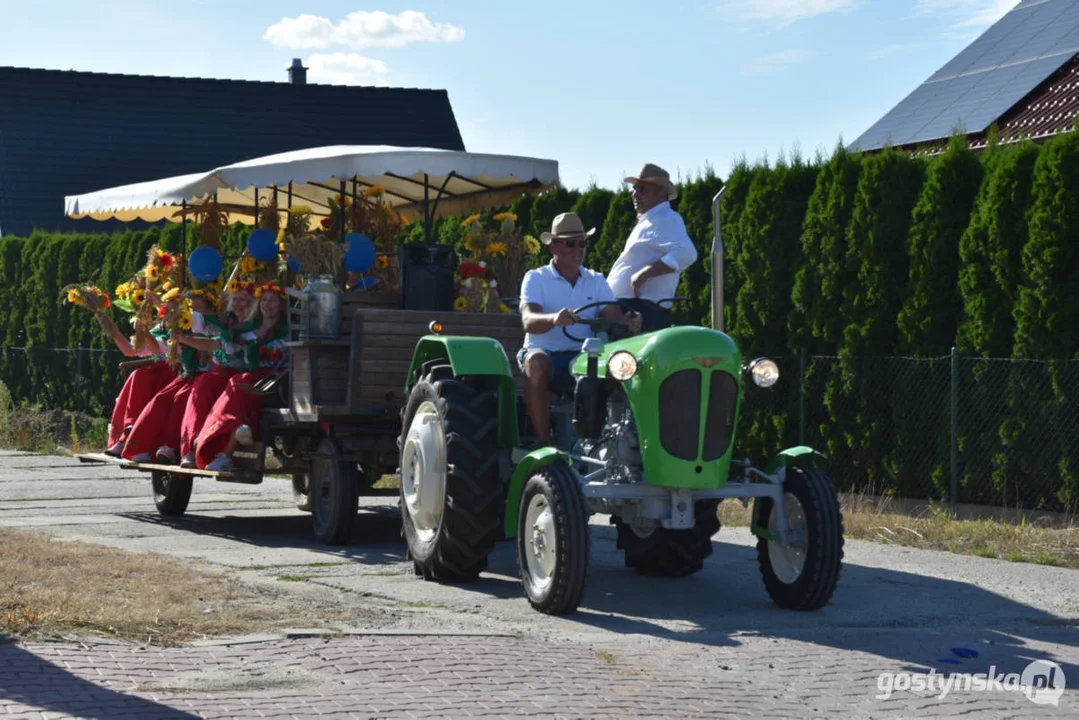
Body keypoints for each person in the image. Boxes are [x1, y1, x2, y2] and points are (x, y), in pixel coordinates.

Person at [518, 212, 639, 447]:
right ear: (553, 246)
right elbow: (528, 320)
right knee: (536, 361)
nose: (578, 249)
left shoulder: (596, 279)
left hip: (585, 357)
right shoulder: (536, 278)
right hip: (547, 354)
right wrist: (555, 319)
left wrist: (632, 321)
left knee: (626, 365)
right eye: (571, 243)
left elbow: (616, 320)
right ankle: (543, 441)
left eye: (582, 243)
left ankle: (620, 441)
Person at [197, 283, 289, 471]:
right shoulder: (247, 330)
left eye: (272, 300)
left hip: (276, 381)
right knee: (235, 381)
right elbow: (224, 346)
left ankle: (220, 441)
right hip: (250, 376)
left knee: (239, 382)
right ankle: (229, 443)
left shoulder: (287, 332)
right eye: (263, 299)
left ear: (281, 305)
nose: (267, 304)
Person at [120, 291, 219, 464]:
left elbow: (199, 327)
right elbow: (156, 348)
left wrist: (160, 303)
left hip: (211, 378)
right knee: (161, 398)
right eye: (189, 308)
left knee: (182, 398)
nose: (191, 313)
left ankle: (176, 447)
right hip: (189, 376)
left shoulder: (214, 326)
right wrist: (143, 329)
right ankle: (143, 446)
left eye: (197, 309)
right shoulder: (180, 330)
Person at [173, 284, 259, 468]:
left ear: (252, 304)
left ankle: (220, 451)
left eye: (243, 299)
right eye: (234, 299)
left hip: (249, 378)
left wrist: (186, 339)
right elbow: (215, 343)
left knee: (236, 384)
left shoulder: (256, 326)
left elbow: (217, 345)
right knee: (204, 380)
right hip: (226, 376)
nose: (237, 303)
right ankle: (191, 446)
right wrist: (184, 338)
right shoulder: (226, 324)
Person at [606, 163, 697, 331]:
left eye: (642, 189)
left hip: (640, 312)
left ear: (661, 192)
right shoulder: (652, 219)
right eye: (634, 189)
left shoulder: (665, 218)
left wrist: (645, 273)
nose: (635, 195)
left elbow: (687, 253)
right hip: (630, 309)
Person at [97, 313, 174, 457]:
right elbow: (130, 350)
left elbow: (157, 348)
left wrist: (144, 330)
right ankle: (127, 433)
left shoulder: (184, 327)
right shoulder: (159, 328)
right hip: (159, 372)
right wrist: (113, 331)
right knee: (138, 376)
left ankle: (141, 442)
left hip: (178, 371)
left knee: (148, 380)